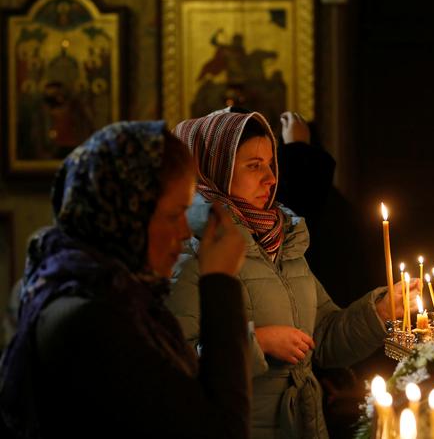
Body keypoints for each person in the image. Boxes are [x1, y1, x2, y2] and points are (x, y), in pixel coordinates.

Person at [166, 107, 415, 438]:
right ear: (215, 169)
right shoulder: (191, 251)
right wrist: (260, 343)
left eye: (271, 164)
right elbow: (175, 365)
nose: (270, 178)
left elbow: (323, 338)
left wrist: (379, 311)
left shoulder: (283, 242)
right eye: (254, 166)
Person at [0, 121, 250, 439]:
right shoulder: (91, 319)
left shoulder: (115, 293)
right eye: (174, 215)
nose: (185, 233)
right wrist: (220, 281)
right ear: (128, 212)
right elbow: (221, 430)